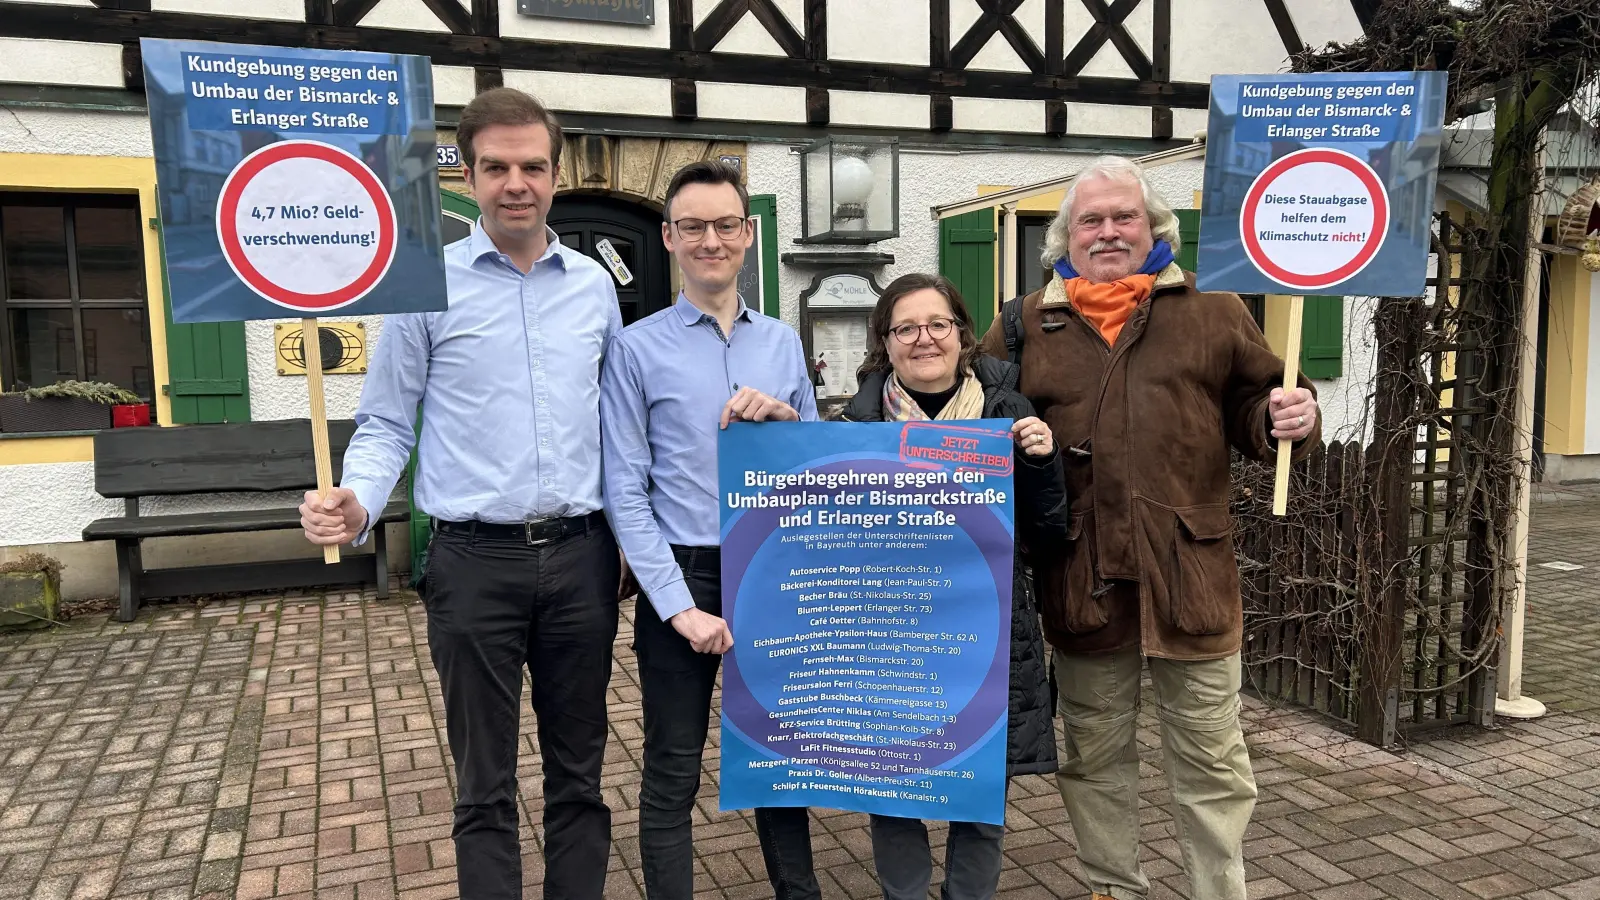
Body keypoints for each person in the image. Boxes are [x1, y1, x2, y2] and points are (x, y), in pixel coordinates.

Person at [299, 88, 623, 900]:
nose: (517, 182)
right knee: (483, 784)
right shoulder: (423, 286)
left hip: (584, 559)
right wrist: (358, 501)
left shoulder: (594, 288)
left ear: (555, 173)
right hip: (475, 564)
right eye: (497, 167)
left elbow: (622, 423)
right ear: (469, 174)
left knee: (580, 775)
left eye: (533, 166)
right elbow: (384, 424)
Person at [979, 155, 1322, 900]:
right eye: (1090, 220)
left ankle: (1216, 891)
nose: (1108, 232)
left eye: (1123, 217)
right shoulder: (1023, 324)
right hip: (1083, 579)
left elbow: (1256, 402)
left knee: (1212, 762)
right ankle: (1113, 889)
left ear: (1154, 226)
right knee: (1095, 758)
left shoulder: (1212, 307)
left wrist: (1284, 414)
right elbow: (965, 413)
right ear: (1066, 235)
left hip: (1189, 578)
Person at [599, 160, 823, 900]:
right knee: (672, 767)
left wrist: (790, 422)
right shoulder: (635, 349)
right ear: (668, 237)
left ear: (748, 234)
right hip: (684, 570)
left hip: (773, 569)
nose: (711, 240)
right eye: (692, 226)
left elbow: (818, 467)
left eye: (726, 224)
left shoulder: (783, 344)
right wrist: (676, 604)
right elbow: (625, 490)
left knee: (778, 758)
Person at [838, 273, 1068, 900]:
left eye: (937, 324)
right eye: (905, 327)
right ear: (884, 342)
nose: (923, 339)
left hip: (986, 634)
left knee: (979, 793)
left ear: (962, 334)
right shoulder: (855, 427)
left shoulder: (1009, 414)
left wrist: (1042, 463)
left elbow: (1049, 532)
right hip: (892, 641)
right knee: (891, 789)